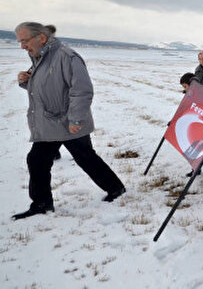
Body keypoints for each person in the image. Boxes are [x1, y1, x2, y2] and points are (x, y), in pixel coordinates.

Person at [12, 23, 125, 220]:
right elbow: (46, 86)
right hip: (51, 122)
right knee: (38, 160)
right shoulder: (40, 58)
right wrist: (26, 81)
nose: (22, 46)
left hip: (69, 122)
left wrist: (76, 119)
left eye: (24, 40)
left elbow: (81, 90)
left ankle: (115, 189)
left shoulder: (66, 57)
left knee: (85, 157)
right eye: (19, 41)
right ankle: (41, 204)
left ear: (41, 38)